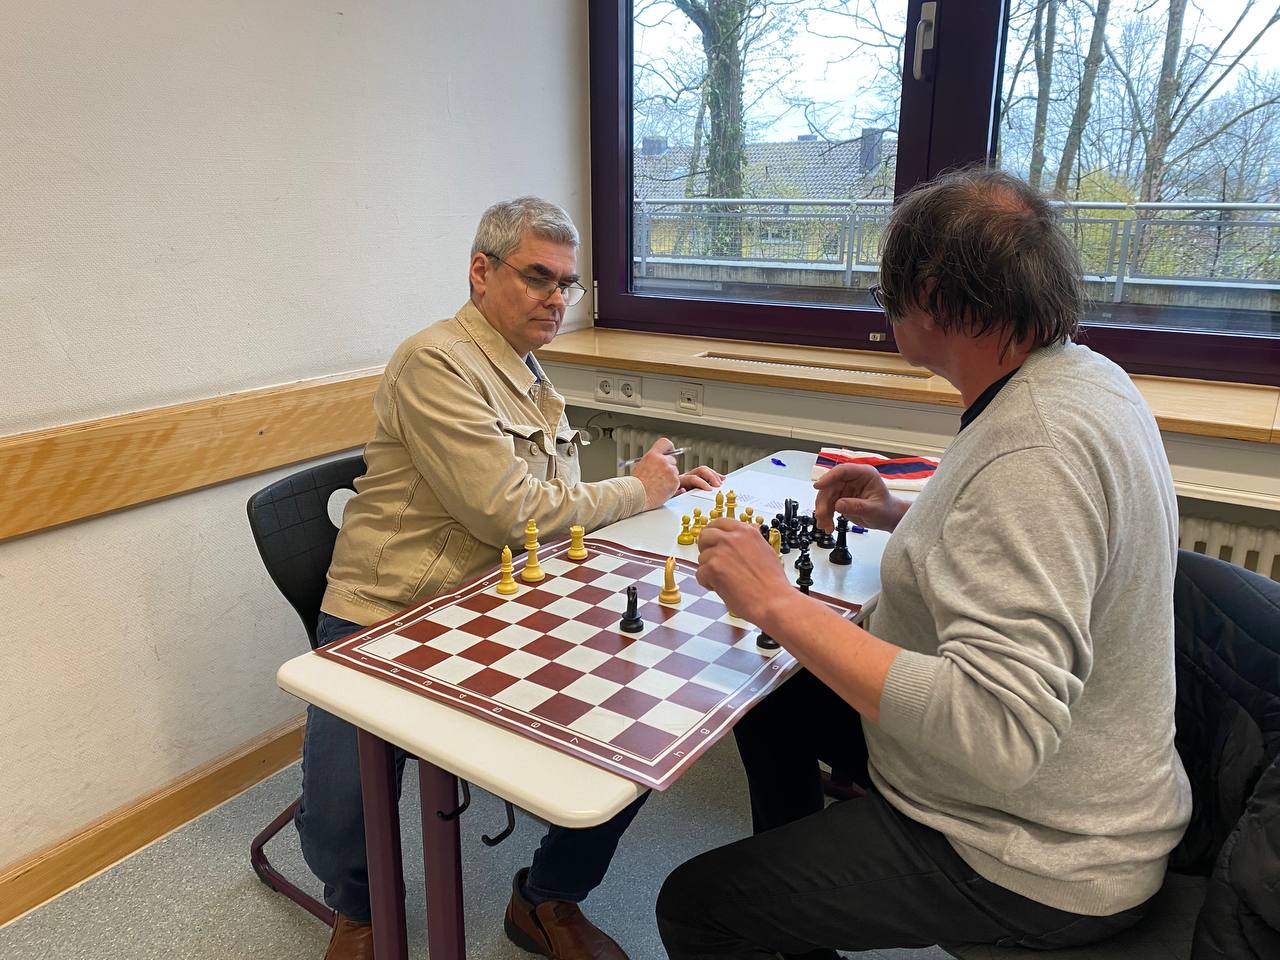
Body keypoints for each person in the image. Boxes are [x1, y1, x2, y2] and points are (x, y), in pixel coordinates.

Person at [656, 169, 1192, 959]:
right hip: (1066, 786)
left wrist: (775, 601)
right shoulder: (1082, 378)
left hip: (1038, 851)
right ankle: (803, 923)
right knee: (772, 694)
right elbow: (1050, 545)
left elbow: (998, 732)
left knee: (696, 908)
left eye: (888, 295)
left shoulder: (1035, 449)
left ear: (934, 295)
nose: (886, 312)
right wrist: (904, 512)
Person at [300, 196, 723, 960]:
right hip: (392, 611)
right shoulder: (436, 362)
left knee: (642, 724)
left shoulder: (529, 374)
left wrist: (652, 490)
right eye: (537, 277)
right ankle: (358, 913)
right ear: (480, 272)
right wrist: (638, 491)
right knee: (339, 808)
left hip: (500, 601)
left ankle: (547, 897)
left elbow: (549, 504)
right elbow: (509, 511)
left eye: (567, 283)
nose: (557, 298)